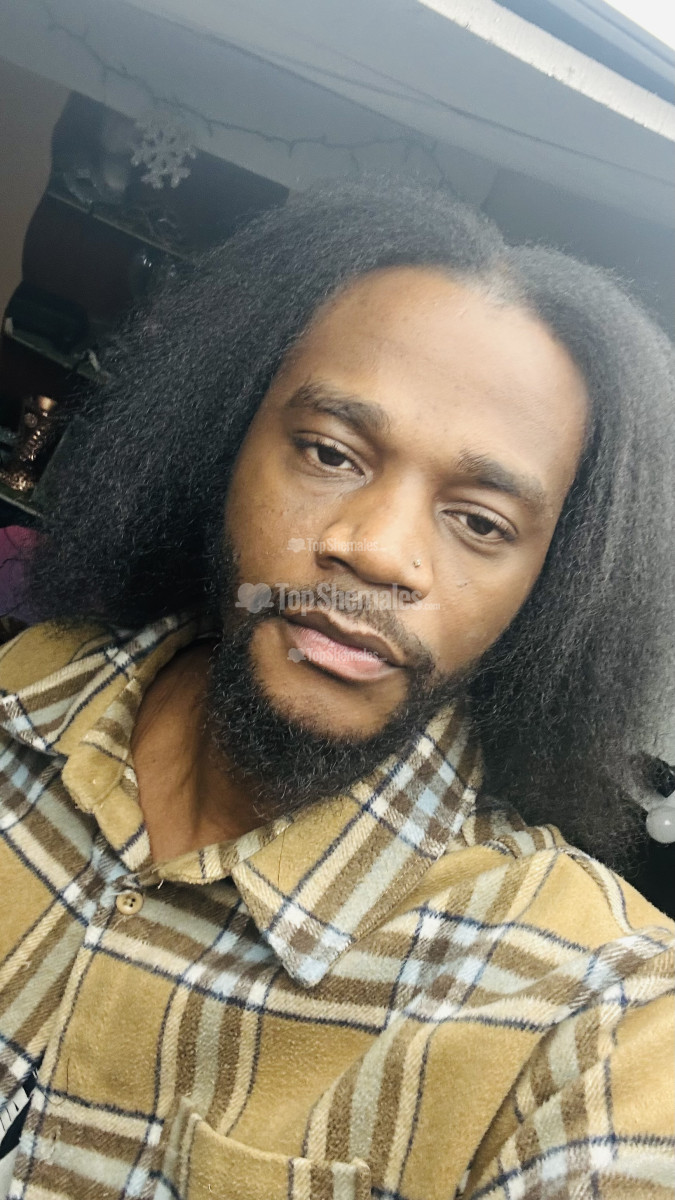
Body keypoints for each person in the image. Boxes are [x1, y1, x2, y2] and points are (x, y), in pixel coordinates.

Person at [0, 177, 673, 1200]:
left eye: (480, 522)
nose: (378, 552)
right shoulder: (27, 685)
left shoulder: (598, 1007)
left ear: (548, 589)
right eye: (328, 453)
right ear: (224, 439)